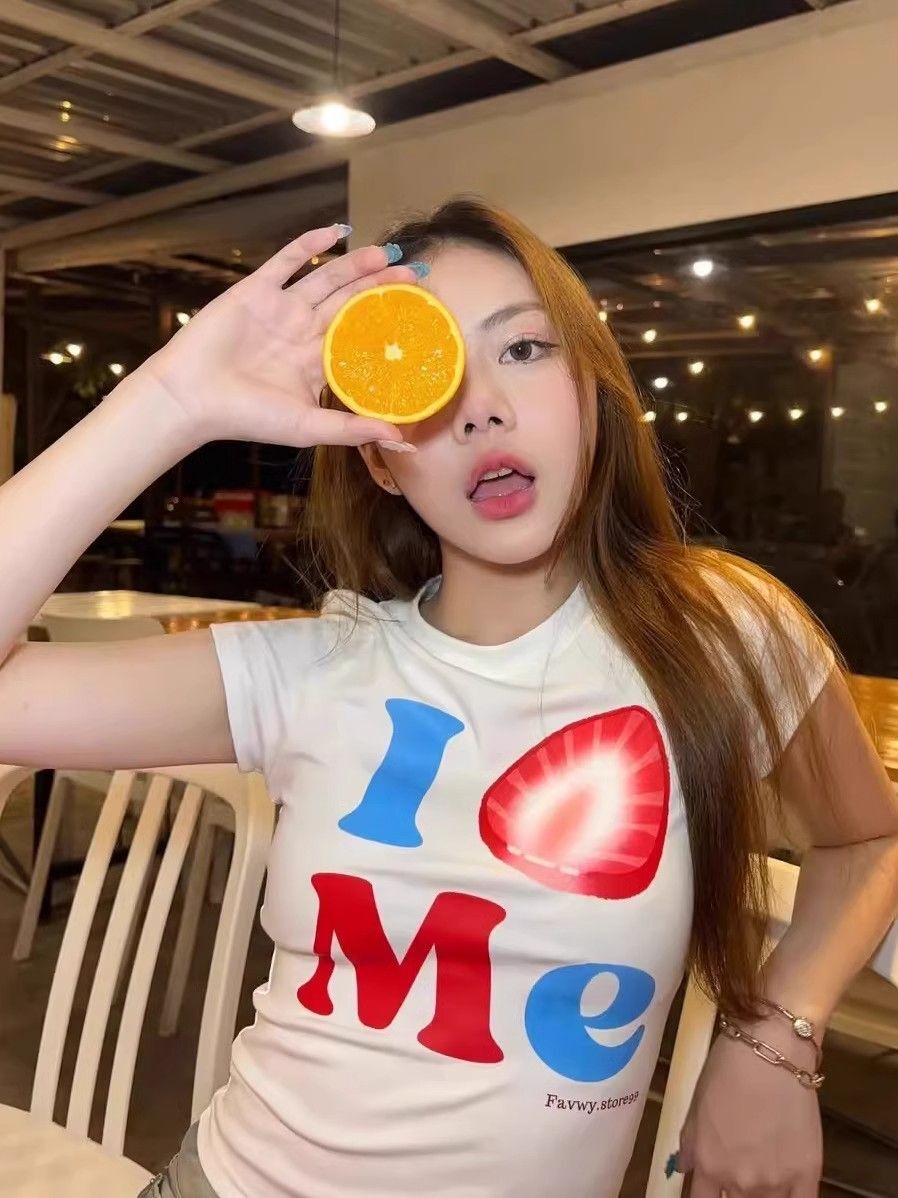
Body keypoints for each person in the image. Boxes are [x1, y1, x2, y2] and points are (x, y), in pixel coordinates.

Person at [1, 200, 897, 1198]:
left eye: (523, 348)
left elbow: (868, 840)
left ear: (591, 393)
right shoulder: (317, 668)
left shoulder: (722, 633)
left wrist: (776, 1033)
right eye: (432, 376)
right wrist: (173, 399)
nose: (482, 409)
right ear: (379, 457)